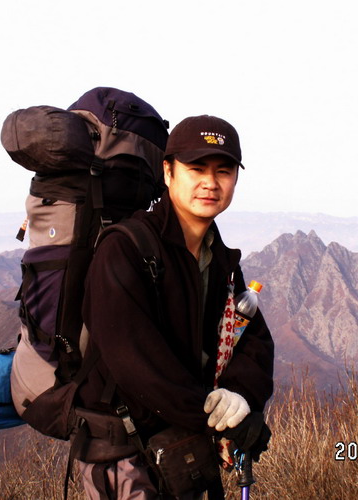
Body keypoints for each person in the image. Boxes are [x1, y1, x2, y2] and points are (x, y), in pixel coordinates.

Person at [76, 115, 275, 499]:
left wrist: (240, 396)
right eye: (196, 168)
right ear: (167, 172)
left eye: (223, 171)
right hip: (124, 456)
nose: (210, 182)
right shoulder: (125, 249)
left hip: (183, 451)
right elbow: (135, 361)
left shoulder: (220, 261)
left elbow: (253, 339)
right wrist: (217, 419)